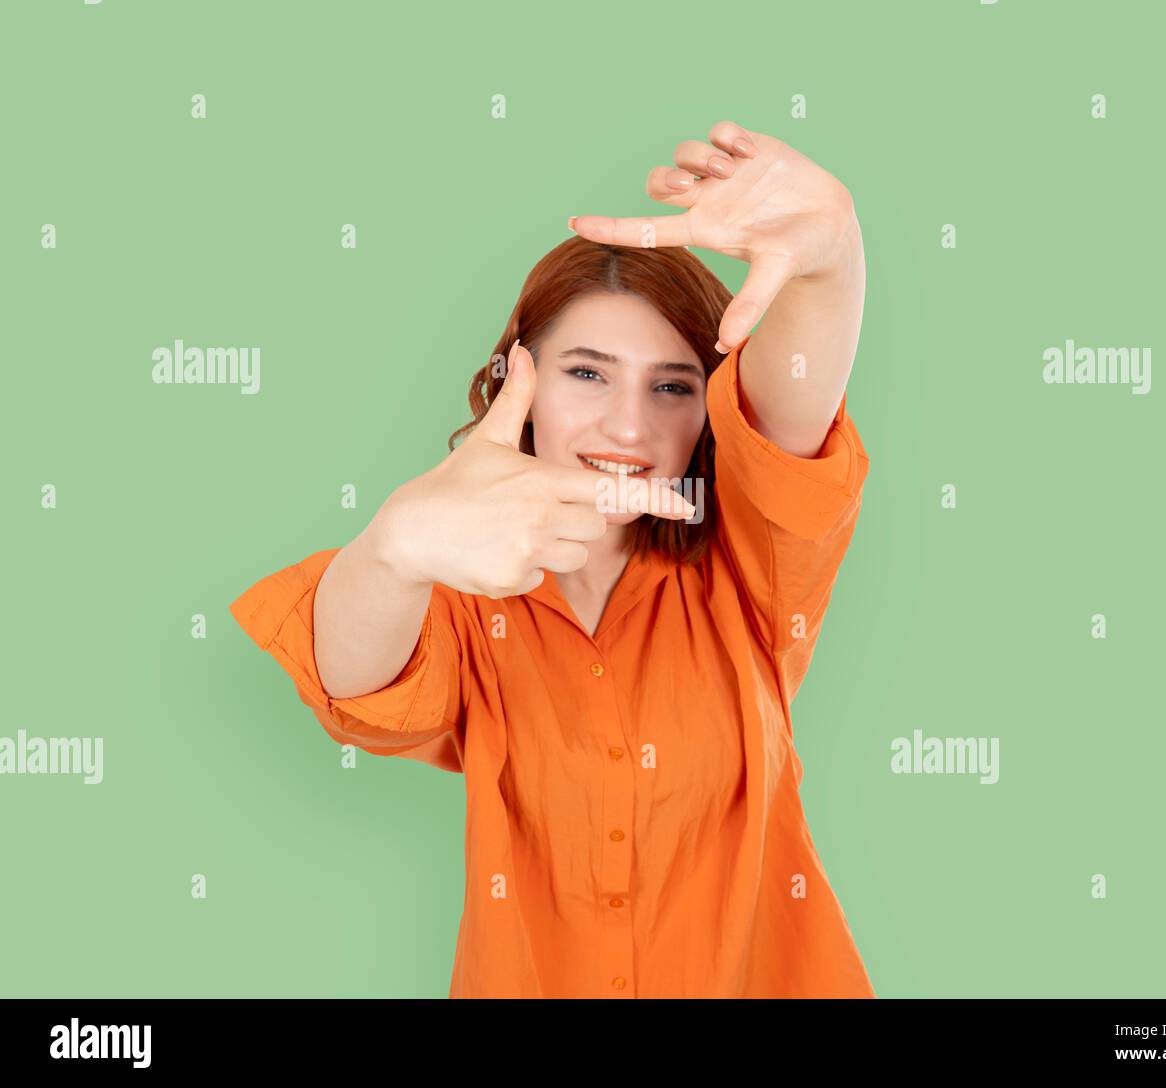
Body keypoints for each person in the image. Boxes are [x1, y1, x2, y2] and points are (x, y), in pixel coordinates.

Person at [230, 120, 876, 998]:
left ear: (711, 410)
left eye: (672, 385)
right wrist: (397, 546)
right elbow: (352, 686)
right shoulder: (459, 595)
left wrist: (832, 252)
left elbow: (799, 399)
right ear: (517, 386)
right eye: (586, 373)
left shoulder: (748, 564)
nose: (629, 426)